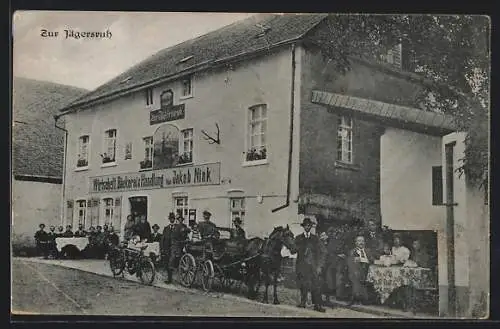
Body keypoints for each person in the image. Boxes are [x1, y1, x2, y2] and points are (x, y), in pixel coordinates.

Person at [295, 218, 326, 312]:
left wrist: (319, 266)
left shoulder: (315, 238)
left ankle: (317, 305)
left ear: (311, 227)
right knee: (303, 284)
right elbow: (293, 249)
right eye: (306, 225)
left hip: (313, 265)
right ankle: (302, 302)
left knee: (316, 284)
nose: (307, 227)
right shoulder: (298, 238)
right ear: (303, 226)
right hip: (301, 265)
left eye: (309, 225)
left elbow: (322, 251)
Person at [347, 235, 373, 305]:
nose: (361, 242)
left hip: (368, 271)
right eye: (359, 241)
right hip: (356, 271)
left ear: (364, 242)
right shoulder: (352, 251)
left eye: (362, 241)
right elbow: (350, 263)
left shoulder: (368, 251)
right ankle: (359, 298)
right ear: (355, 243)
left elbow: (372, 260)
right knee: (356, 275)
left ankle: (360, 297)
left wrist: (363, 260)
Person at [161, 212, 177, 283]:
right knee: (167, 263)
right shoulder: (166, 228)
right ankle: (169, 278)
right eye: (171, 219)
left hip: (174, 247)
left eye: (173, 218)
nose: (172, 220)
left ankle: (170, 279)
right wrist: (162, 248)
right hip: (166, 248)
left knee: (171, 262)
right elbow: (162, 239)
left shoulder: (177, 227)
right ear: (169, 219)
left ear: (174, 219)